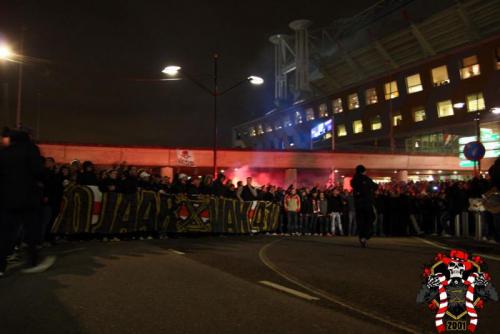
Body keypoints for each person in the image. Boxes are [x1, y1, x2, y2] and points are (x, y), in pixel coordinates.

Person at [0, 129, 55, 277]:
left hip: (7, 199)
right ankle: (33, 262)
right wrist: (46, 176)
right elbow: (38, 171)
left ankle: (1, 266)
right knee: (32, 231)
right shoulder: (30, 149)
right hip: (28, 198)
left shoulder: (5, 152)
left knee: (6, 233)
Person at [351, 165, 378, 248]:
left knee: (360, 221)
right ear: (363, 171)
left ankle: (362, 237)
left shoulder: (353, 180)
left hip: (358, 204)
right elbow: (375, 186)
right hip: (367, 203)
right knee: (370, 219)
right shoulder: (366, 179)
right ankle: (366, 235)